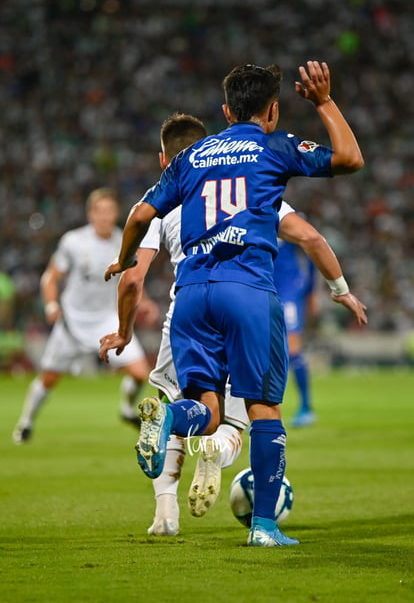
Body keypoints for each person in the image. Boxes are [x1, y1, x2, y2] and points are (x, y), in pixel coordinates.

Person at [102, 60, 364, 547]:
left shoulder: (191, 157)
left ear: (224, 110)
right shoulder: (274, 144)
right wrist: (324, 102)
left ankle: (170, 422)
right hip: (246, 288)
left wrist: (121, 260)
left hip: (192, 295)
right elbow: (349, 159)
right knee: (265, 408)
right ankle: (264, 527)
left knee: (206, 407)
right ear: (274, 110)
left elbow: (140, 214)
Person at [12, 188, 156, 444]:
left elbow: (128, 281)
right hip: (73, 322)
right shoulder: (73, 241)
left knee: (139, 372)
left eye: (109, 211)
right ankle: (26, 423)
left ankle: (125, 409)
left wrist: (144, 303)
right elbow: (51, 277)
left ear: (116, 214)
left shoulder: (123, 240)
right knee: (49, 378)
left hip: (108, 319)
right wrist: (51, 306)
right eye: (99, 211)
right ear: (90, 214)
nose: (104, 216)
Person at [273, 237, 319, 428]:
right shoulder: (249, 216)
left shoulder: (285, 218)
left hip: (288, 291)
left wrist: (310, 292)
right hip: (262, 289)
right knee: (262, 351)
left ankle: (306, 408)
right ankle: (259, 411)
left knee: (293, 349)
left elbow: (310, 247)